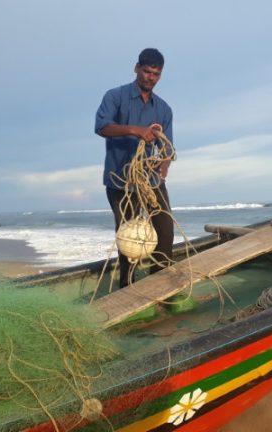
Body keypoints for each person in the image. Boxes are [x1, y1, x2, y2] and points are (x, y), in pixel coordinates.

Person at [95, 48, 174, 288]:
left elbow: (168, 147)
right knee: (129, 238)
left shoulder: (164, 109)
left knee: (165, 233)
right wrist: (135, 130)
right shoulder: (115, 97)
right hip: (120, 181)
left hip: (151, 182)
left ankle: (159, 286)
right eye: (147, 71)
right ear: (136, 68)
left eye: (156, 74)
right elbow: (102, 127)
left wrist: (164, 165)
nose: (150, 77)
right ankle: (126, 288)